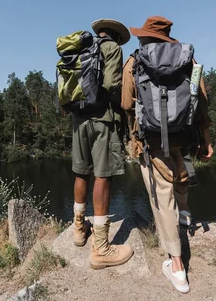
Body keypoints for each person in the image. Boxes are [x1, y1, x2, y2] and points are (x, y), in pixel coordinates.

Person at [122, 16, 213, 293]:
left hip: (150, 140)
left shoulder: (135, 62)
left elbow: (126, 102)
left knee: (161, 195)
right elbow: (202, 103)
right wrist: (206, 139)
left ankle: (176, 266)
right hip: (184, 136)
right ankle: (184, 212)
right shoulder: (190, 61)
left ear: (145, 37)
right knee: (182, 171)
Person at [72, 18, 134, 270]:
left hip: (79, 119)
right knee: (103, 176)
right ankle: (101, 248)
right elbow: (110, 84)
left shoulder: (81, 49)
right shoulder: (112, 49)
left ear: (99, 33)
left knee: (80, 171)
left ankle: (78, 229)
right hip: (102, 119)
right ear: (117, 37)